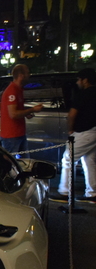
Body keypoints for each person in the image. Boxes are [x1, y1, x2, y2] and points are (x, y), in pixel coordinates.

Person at [57, 68, 96, 201]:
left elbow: (72, 114)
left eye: (79, 79)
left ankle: (64, 192)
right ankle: (92, 193)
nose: (78, 82)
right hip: (94, 131)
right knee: (89, 160)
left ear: (85, 80)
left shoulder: (82, 94)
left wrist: (70, 129)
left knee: (68, 158)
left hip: (84, 131)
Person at [0, 64, 43, 156]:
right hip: (11, 135)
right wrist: (32, 109)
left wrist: (26, 113)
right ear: (21, 76)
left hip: (18, 134)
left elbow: (16, 110)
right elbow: (13, 114)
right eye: (28, 73)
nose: (29, 75)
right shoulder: (12, 90)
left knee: (24, 163)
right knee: (11, 164)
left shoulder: (18, 89)